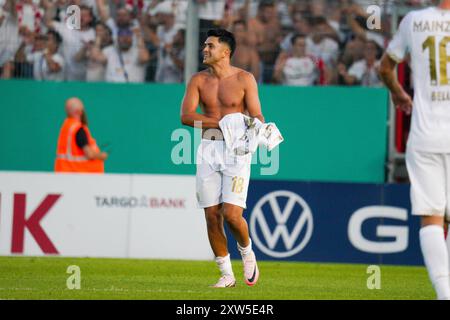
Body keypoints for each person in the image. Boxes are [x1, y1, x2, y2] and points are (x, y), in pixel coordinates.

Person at [378, 0, 450, 300]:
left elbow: (385, 68)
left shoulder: (413, 21)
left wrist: (399, 95)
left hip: (426, 134)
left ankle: (444, 294)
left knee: (431, 217)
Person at [180, 29, 263, 288]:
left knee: (232, 215)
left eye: (210, 46)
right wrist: (223, 123)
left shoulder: (244, 78)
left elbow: (257, 115)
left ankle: (247, 251)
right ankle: (226, 274)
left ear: (225, 52)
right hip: (208, 149)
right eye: (205, 45)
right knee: (211, 215)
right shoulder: (197, 80)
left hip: (237, 153)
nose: (204, 49)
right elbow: (186, 116)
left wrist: (259, 129)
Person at [55, 97, 108, 173]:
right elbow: (89, 154)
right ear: (78, 111)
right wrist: (102, 156)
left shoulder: (66, 126)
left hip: (66, 173)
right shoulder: (78, 129)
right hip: (80, 175)